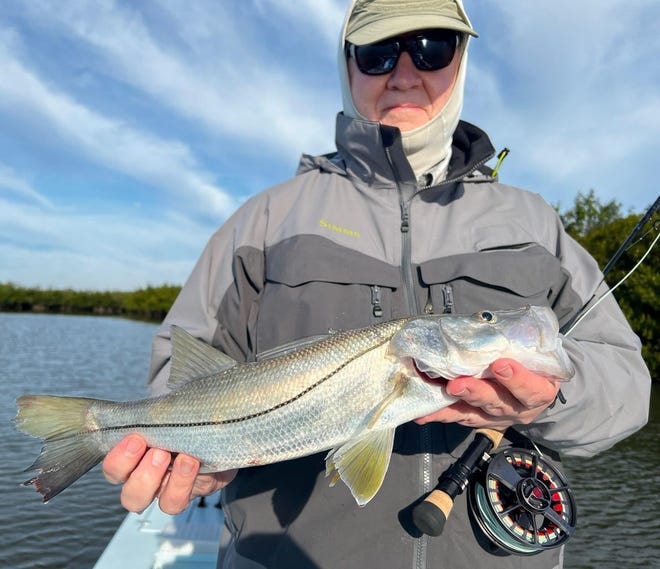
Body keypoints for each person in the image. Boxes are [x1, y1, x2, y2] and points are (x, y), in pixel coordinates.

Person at [102, 1, 652, 568]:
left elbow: (628, 388)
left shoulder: (534, 223)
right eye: (379, 53)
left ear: (461, 60)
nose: (406, 72)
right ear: (347, 67)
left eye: (433, 48)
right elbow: (183, 369)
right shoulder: (264, 222)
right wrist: (192, 460)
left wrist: (550, 398)